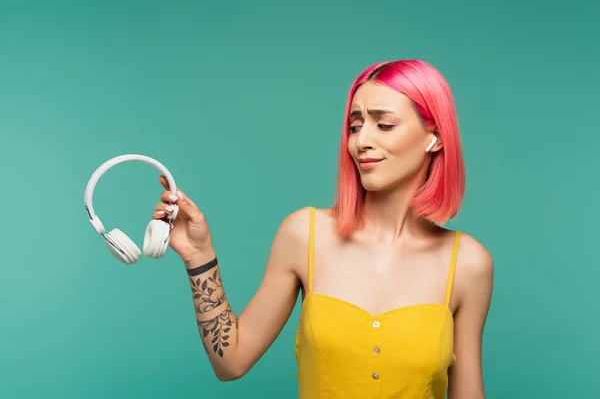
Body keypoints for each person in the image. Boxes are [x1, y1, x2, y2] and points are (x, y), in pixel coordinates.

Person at [152, 59, 494, 398]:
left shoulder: (468, 263)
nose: (361, 142)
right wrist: (199, 255)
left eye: (384, 125)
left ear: (433, 138)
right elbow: (231, 362)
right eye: (355, 126)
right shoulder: (304, 234)